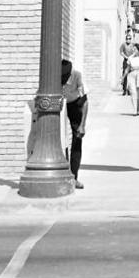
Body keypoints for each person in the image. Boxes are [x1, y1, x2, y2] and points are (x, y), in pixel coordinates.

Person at [61, 58, 88, 190]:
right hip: (60, 105)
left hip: (75, 104)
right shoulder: (55, 75)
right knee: (59, 139)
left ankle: (74, 177)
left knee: (77, 139)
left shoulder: (77, 75)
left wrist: (82, 125)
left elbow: (85, 101)